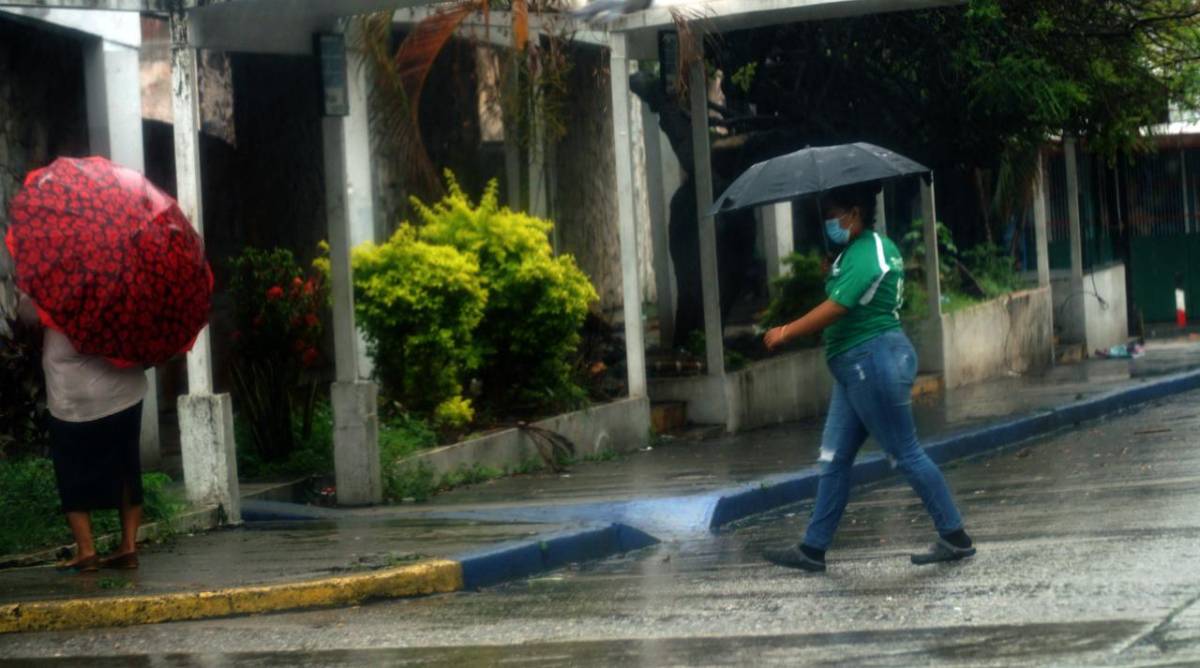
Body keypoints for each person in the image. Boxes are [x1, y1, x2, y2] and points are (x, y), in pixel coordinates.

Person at [761, 183, 974, 572]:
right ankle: (813, 548)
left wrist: (786, 331)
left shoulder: (868, 251)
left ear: (854, 214)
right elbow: (850, 293)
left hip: (871, 360)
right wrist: (834, 271)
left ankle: (955, 536)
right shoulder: (857, 253)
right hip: (854, 367)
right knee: (834, 457)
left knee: (904, 452)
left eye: (833, 217)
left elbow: (839, 306)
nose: (829, 225)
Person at [16, 291, 147, 573]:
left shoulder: (54, 284)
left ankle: (87, 551)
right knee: (126, 468)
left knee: (71, 470)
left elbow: (27, 315)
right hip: (123, 393)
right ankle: (128, 547)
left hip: (71, 399)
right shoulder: (123, 282)